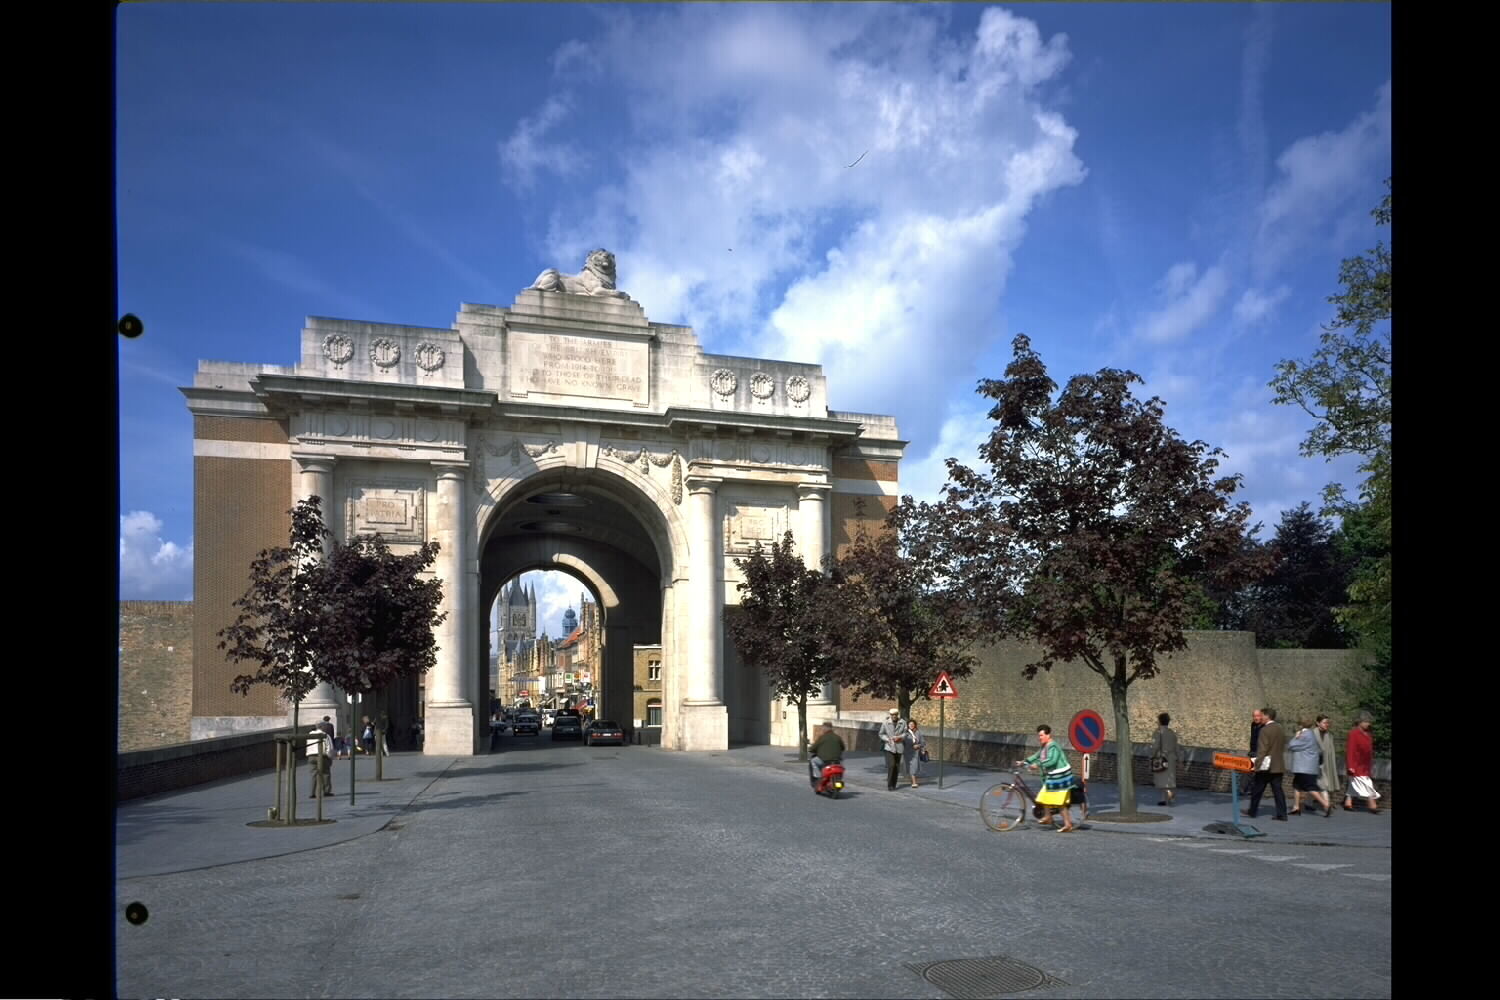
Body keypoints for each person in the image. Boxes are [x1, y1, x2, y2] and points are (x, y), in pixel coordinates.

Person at [1022, 724, 1076, 832]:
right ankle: (1050, 817)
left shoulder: (1053, 746)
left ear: (1048, 735)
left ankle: (1064, 823)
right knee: (1044, 797)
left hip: (1061, 776)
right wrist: (1024, 762)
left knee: (1058, 801)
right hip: (1054, 777)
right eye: (1039, 735)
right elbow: (1036, 756)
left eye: (1041, 735)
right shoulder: (1044, 746)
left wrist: (1037, 765)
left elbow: (1052, 760)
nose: (1039, 738)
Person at [1245, 707, 1288, 821]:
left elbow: (1262, 750)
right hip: (1278, 764)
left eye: (1262, 715)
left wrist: (1256, 765)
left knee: (1257, 789)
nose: (1261, 717)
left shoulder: (1265, 730)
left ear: (1267, 716)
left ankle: (1252, 811)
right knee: (1278, 791)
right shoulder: (1280, 728)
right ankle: (1282, 814)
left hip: (1266, 766)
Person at [1286, 718, 1332, 817]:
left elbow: (1291, 746)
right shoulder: (1312, 734)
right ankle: (1296, 807)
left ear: (1300, 725)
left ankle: (1326, 804)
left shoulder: (1305, 735)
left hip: (1305, 768)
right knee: (1297, 786)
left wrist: (1295, 737)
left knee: (1310, 787)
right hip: (1306, 767)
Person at [1343, 711, 1381, 813]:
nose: (1368, 724)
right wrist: (1350, 766)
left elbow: (1369, 751)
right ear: (1360, 722)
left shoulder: (1368, 734)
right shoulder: (1353, 733)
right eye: (1366, 721)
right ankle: (1372, 805)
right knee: (1367, 784)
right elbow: (1350, 750)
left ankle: (1348, 803)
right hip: (1356, 765)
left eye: (1369, 722)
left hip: (1365, 764)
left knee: (1353, 784)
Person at [1151, 712, 1180, 806]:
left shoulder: (1158, 732)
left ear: (1160, 721)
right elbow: (1176, 747)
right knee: (1169, 779)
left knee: (1161, 779)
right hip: (1171, 758)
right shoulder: (1172, 733)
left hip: (1161, 757)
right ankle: (1165, 798)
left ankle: (1167, 794)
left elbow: (1155, 746)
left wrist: (1152, 755)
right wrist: (1180, 759)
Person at [1314, 714, 1341, 805]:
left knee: (1318, 784)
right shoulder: (1312, 734)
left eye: (1328, 723)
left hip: (1325, 763)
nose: (1327, 724)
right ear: (1318, 723)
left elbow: (1331, 751)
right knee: (1322, 785)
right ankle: (1327, 805)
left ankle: (1308, 803)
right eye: (1324, 722)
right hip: (1315, 763)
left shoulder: (1329, 735)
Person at [878, 709, 906, 791]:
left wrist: (900, 737)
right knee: (891, 765)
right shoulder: (885, 723)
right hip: (889, 747)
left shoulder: (903, 722)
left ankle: (894, 784)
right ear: (890, 715)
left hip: (899, 746)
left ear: (897, 715)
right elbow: (881, 734)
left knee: (897, 767)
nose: (894, 716)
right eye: (892, 715)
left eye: (895, 714)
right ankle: (889, 784)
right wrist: (887, 739)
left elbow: (906, 733)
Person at [306, 726, 333, 797]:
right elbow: (329, 747)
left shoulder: (309, 735)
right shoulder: (325, 735)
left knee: (313, 775)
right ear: (322, 728)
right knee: (325, 773)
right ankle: (326, 791)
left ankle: (312, 793)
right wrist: (330, 757)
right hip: (322, 756)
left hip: (311, 756)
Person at [904, 719, 928, 788]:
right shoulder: (905, 733)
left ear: (915, 725)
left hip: (916, 753)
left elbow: (923, 742)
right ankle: (914, 782)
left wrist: (918, 746)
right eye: (910, 724)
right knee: (911, 767)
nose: (911, 725)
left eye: (912, 724)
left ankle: (912, 780)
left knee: (914, 767)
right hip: (907, 752)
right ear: (908, 725)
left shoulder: (918, 732)